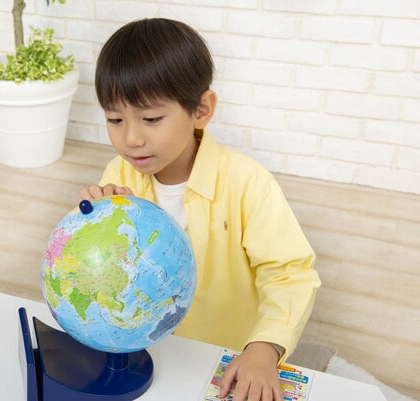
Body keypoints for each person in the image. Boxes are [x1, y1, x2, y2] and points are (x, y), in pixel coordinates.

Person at [79, 18, 321, 401]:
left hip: (223, 357)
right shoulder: (118, 176)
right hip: (149, 356)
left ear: (202, 110)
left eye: (151, 118)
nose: (131, 138)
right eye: (114, 119)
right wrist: (97, 228)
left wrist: (265, 348)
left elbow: (290, 274)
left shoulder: (248, 182)